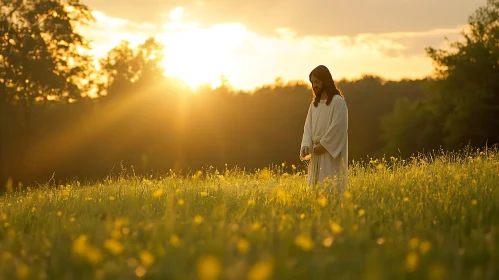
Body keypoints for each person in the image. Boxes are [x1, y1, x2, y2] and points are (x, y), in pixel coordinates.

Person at [300, 65, 348, 193]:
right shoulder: (314, 104)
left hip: (330, 154)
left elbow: (339, 127)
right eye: (312, 82)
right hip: (316, 153)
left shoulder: (338, 102)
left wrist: (324, 145)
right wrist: (306, 145)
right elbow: (308, 127)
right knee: (315, 190)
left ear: (325, 81)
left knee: (330, 187)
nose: (314, 85)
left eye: (317, 82)